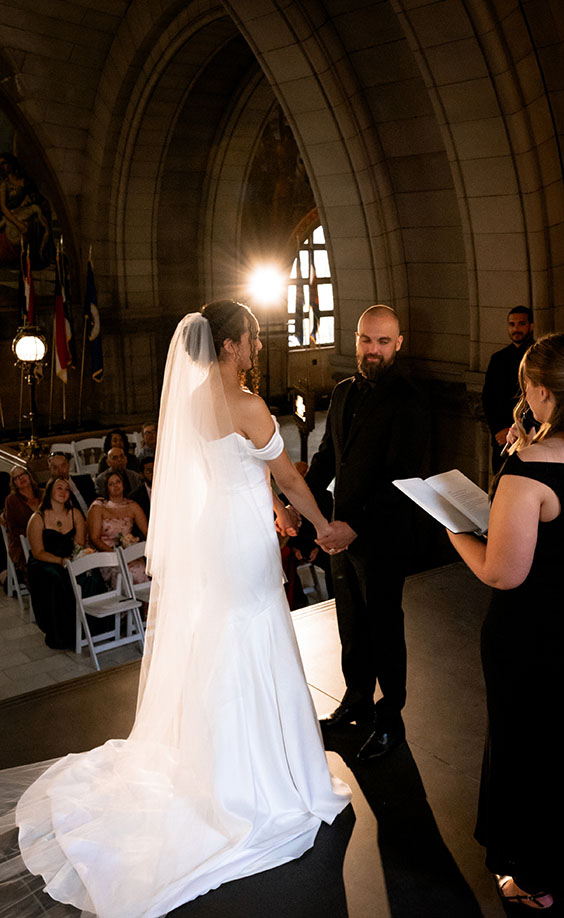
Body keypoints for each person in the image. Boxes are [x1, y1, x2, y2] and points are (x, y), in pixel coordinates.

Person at [13, 301, 350, 917]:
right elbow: (288, 479)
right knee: (257, 641)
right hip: (243, 549)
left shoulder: (190, 405)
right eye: (248, 340)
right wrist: (323, 527)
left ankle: (218, 761)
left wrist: (277, 512)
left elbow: (229, 477)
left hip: (214, 542)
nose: (254, 348)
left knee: (223, 647)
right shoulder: (250, 407)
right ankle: (265, 774)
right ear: (227, 347)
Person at [448, 333, 564, 911]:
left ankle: (535, 881)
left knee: (530, 749)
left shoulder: (527, 470)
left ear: (538, 390)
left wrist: (455, 532)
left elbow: (502, 572)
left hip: (534, 636)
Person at [303, 304, 429, 761]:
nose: (372, 350)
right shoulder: (341, 392)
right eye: (365, 340)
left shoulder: (409, 399)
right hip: (338, 532)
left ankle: (390, 717)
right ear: (355, 339)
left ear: (398, 344)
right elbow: (325, 460)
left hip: (382, 537)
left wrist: (352, 527)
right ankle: (356, 699)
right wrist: (305, 510)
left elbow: (403, 478)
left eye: (382, 342)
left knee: (384, 627)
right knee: (350, 623)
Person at [26, 477, 85, 650]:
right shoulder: (37, 518)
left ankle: (91, 627)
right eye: (59, 488)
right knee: (56, 577)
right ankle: (61, 634)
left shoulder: (75, 514)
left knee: (91, 575)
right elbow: (38, 552)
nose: (63, 492)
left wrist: (75, 558)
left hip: (69, 559)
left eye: (67, 489)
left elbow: (79, 544)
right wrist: (60, 561)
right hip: (44, 562)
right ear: (50, 491)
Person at [482, 306, 534, 472]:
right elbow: (487, 399)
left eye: (521, 324)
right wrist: (499, 430)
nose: (516, 329)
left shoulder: (538, 358)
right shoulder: (498, 359)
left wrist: (517, 429)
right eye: (512, 324)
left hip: (529, 435)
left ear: (531, 326)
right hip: (500, 438)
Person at [87, 469, 149, 588]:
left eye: (118, 482)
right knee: (126, 571)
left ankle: (144, 604)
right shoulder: (98, 507)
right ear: (106, 488)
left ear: (123, 484)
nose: (115, 486)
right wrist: (115, 555)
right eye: (111, 484)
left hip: (129, 554)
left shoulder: (132, 506)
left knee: (140, 567)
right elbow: (94, 538)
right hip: (107, 555)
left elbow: (147, 532)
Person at [3, 466, 40, 579]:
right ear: (14, 483)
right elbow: (13, 529)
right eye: (16, 478)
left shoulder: (43, 494)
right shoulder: (12, 500)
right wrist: (34, 536)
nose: (21, 478)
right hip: (22, 544)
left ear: (29, 475)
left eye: (23, 474)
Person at [48, 449, 96, 515]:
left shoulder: (85, 481)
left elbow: (96, 500)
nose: (60, 471)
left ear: (68, 466)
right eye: (55, 467)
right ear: (50, 469)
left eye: (63, 466)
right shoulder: (50, 491)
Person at [128, 454, 153, 523]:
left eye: (156, 470)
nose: (153, 474)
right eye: (149, 471)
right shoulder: (134, 497)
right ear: (141, 474)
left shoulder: (169, 492)